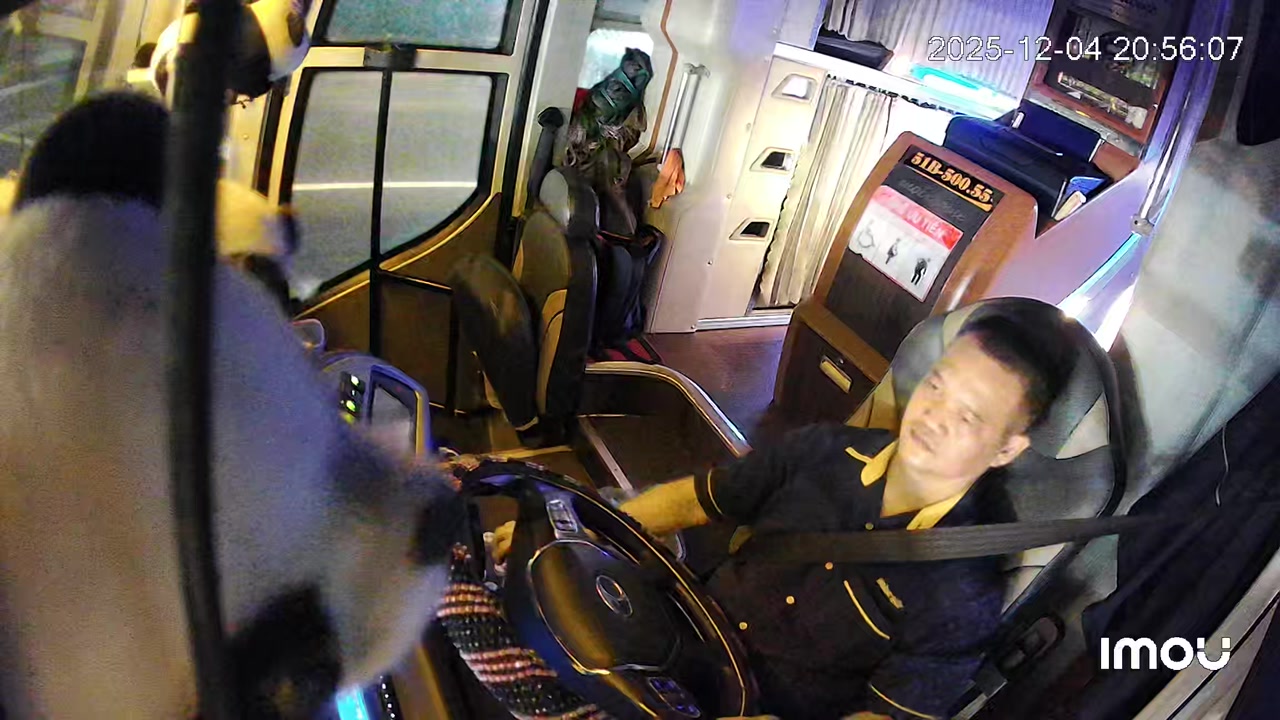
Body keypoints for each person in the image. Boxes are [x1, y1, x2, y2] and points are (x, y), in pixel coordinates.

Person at [494, 313, 1076, 720]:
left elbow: (889, 715)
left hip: (757, 710)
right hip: (676, 636)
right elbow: (697, 499)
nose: (933, 416)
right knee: (505, 595)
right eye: (937, 386)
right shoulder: (824, 449)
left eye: (969, 417)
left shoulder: (964, 592)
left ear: (1007, 449)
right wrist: (586, 526)